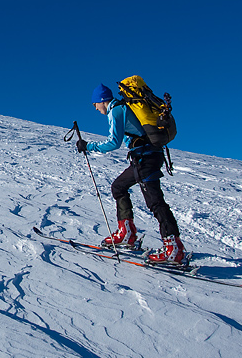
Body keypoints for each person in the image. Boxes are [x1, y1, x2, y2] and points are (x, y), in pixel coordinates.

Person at [75, 83, 187, 265]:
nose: (95, 108)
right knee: (118, 187)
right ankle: (127, 234)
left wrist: (89, 146)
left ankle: (174, 249)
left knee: (155, 202)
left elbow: (113, 142)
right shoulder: (122, 108)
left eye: (95, 104)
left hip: (146, 158)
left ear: (101, 100)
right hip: (143, 157)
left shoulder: (116, 111)